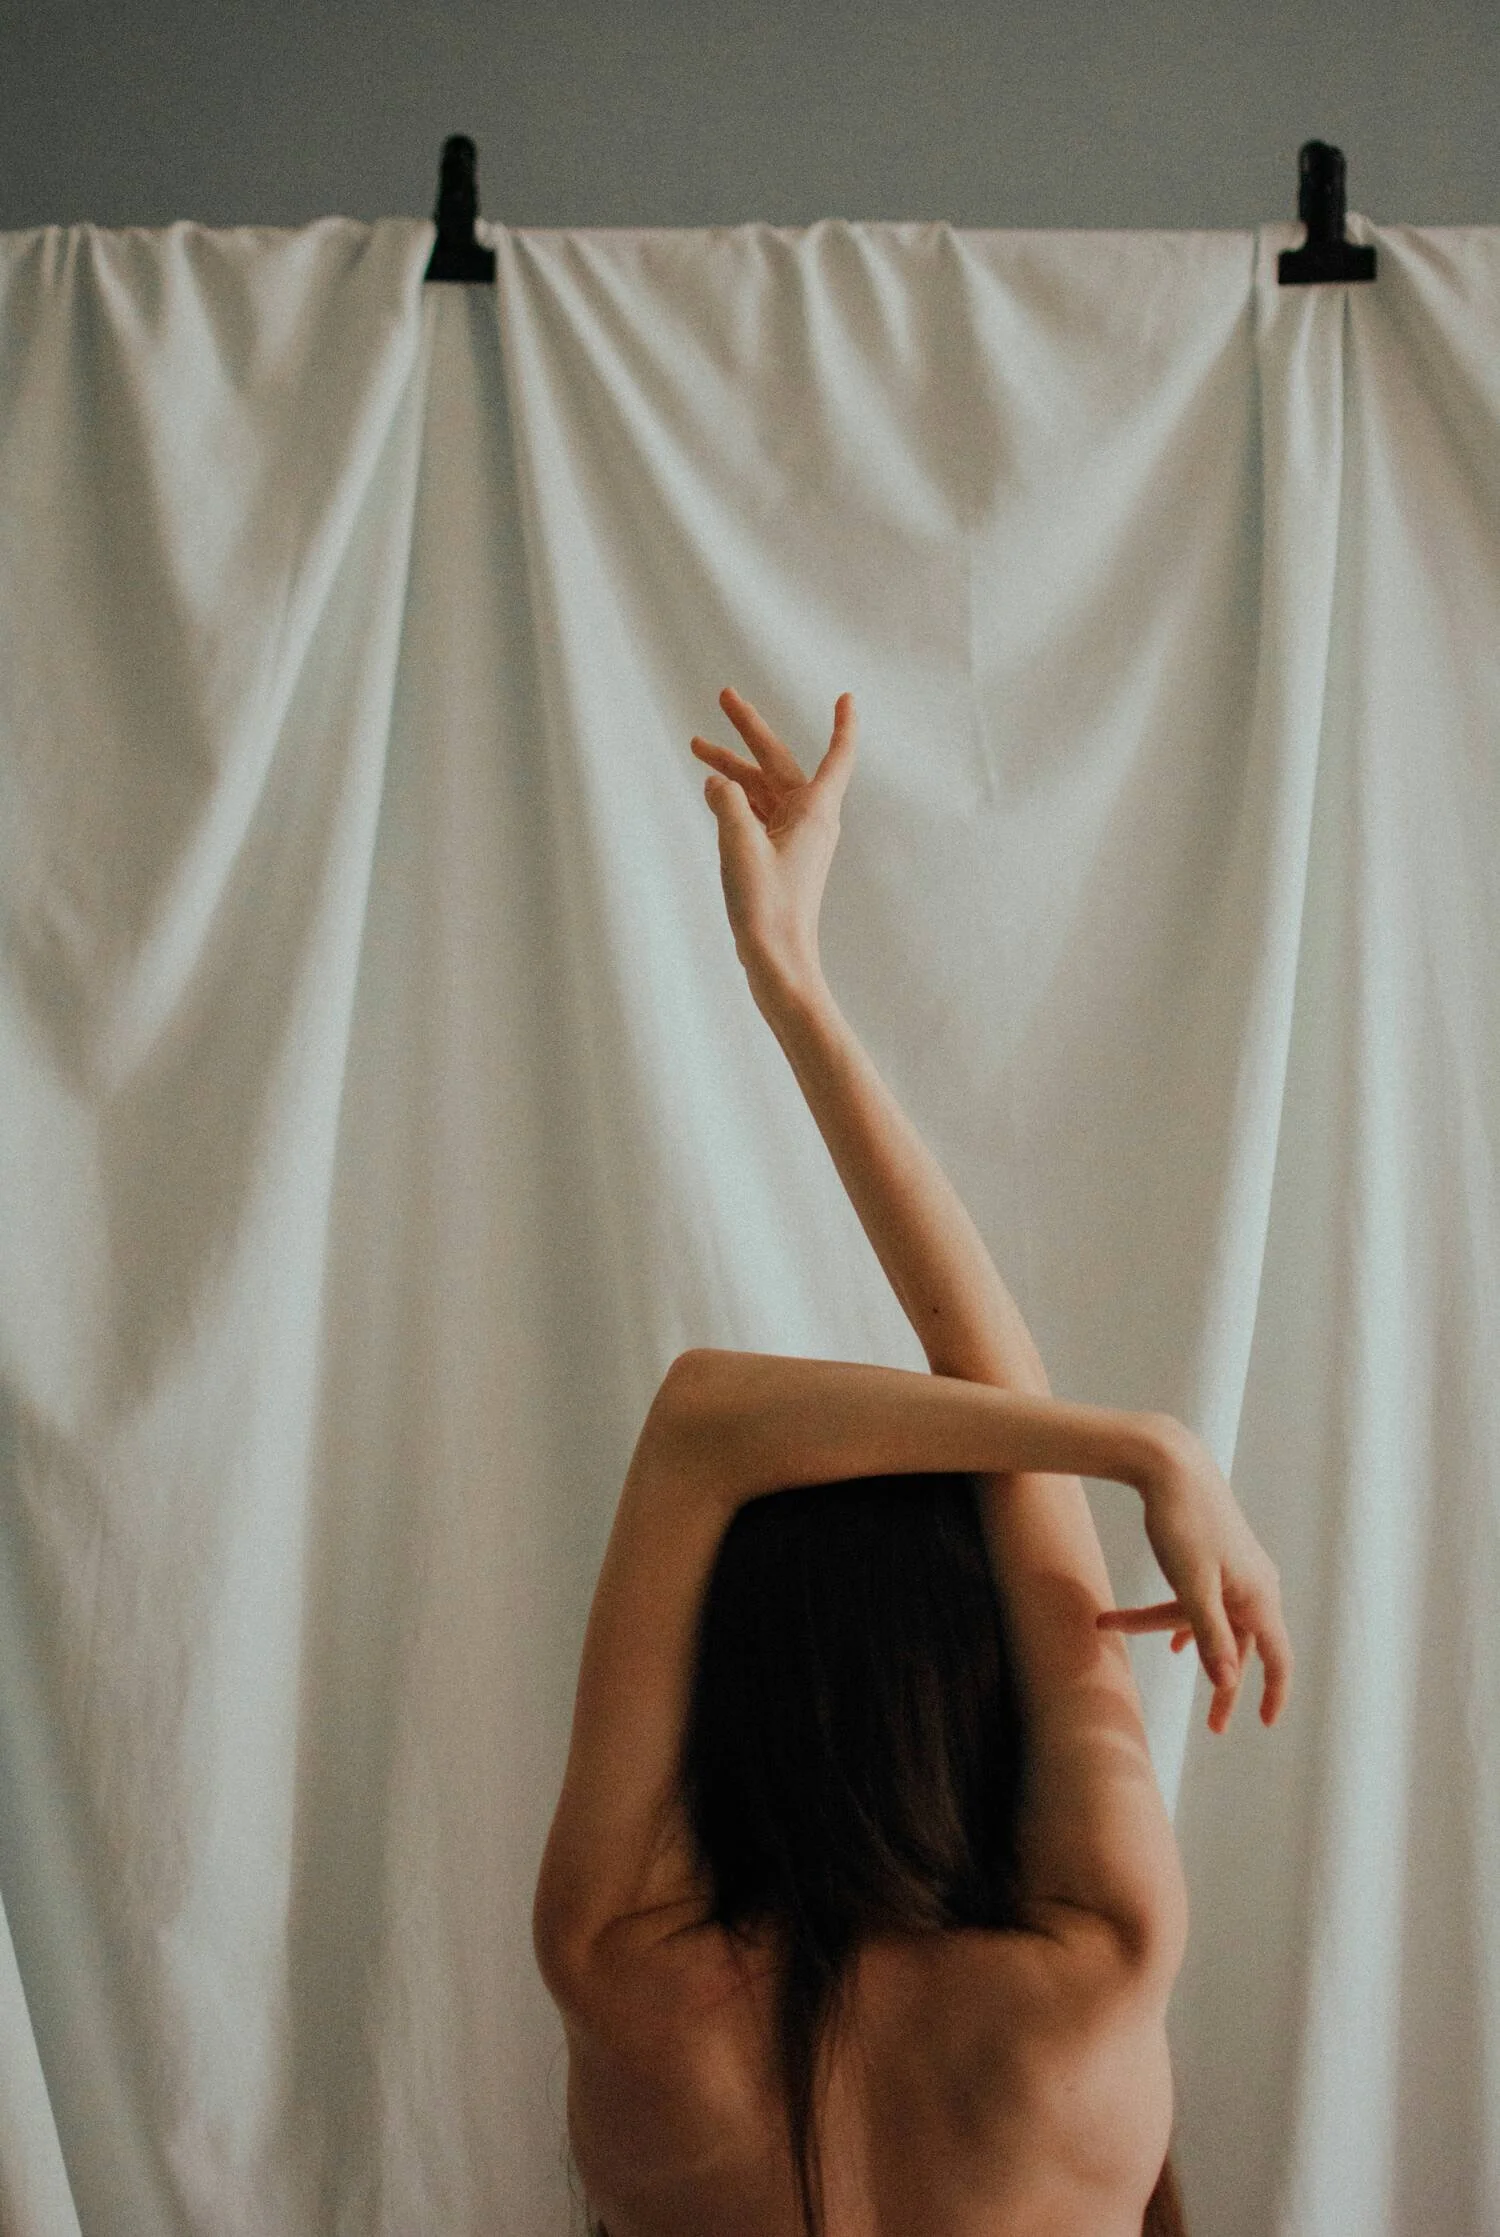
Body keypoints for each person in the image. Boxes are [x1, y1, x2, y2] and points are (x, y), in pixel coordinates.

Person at [532, 689, 1293, 2237]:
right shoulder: (1100, 1962)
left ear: (726, 1679)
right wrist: (1132, 1444)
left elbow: (700, 1428)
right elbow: (985, 1452)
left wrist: (1126, 1449)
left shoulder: (621, 1970)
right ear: (979, 1668)